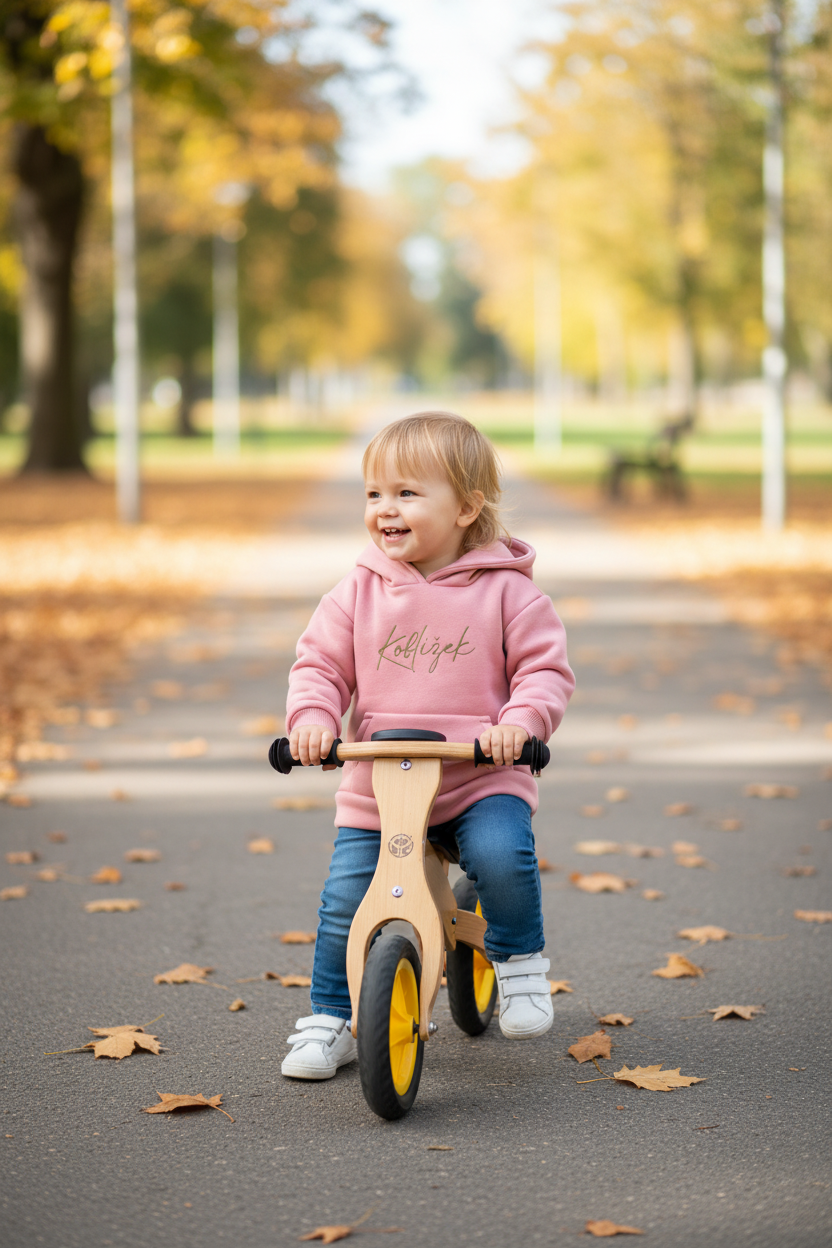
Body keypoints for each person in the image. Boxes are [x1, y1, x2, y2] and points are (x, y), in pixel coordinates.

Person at [281, 411, 574, 1080]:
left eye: (407, 493)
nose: (386, 508)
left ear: (468, 507)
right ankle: (330, 1019)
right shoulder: (356, 591)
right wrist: (314, 718)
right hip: (379, 785)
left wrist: (520, 723)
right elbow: (319, 666)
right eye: (374, 494)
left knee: (501, 856)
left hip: (479, 777)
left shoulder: (509, 592)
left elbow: (543, 671)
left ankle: (521, 962)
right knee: (344, 903)